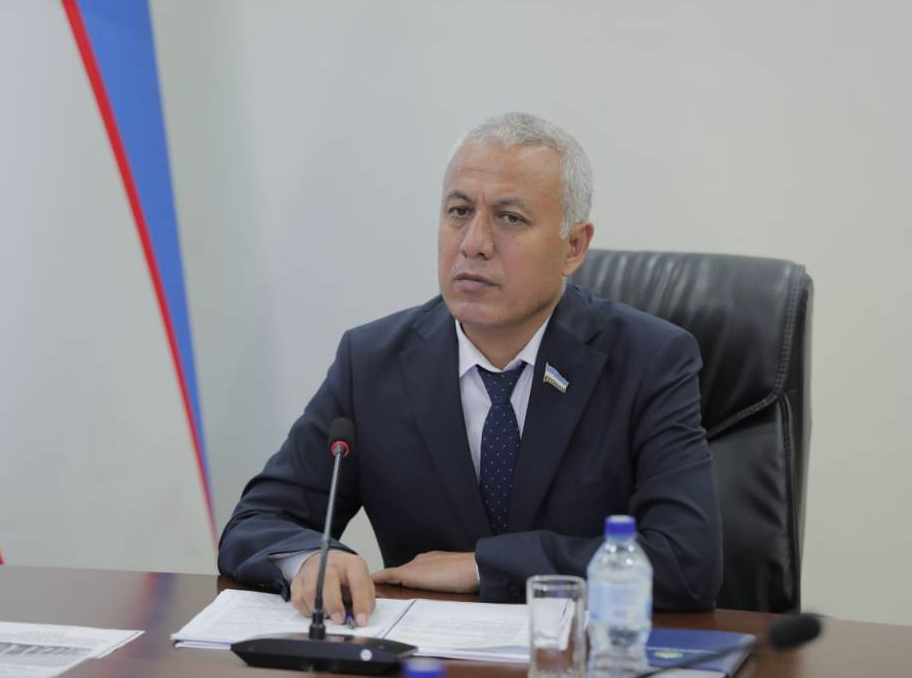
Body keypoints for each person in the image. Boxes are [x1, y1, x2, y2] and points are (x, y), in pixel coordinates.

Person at [218, 112, 722, 626]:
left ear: (573, 247)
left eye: (510, 218)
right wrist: (311, 558)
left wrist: (485, 565)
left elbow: (686, 562)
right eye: (459, 211)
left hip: (581, 654)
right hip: (423, 655)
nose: (473, 242)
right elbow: (257, 521)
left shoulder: (649, 360)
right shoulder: (371, 363)